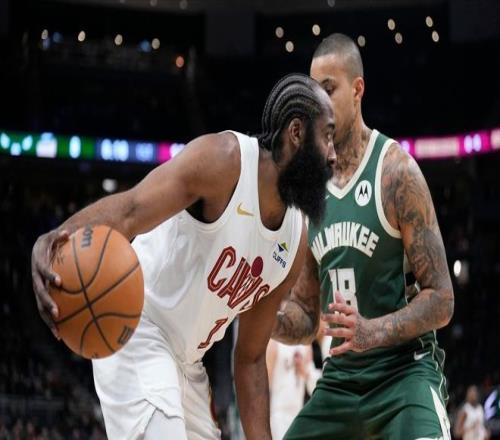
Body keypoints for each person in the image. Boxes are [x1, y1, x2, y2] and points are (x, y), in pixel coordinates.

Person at [30, 73, 335, 440]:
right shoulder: (225, 162)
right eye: (328, 136)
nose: (333, 155)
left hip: (188, 361)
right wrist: (57, 237)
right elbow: (130, 211)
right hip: (139, 326)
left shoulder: (294, 240)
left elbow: (251, 358)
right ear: (297, 133)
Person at [272, 33, 455, 439]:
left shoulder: (396, 172)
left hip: (403, 373)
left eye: (328, 90)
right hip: (340, 383)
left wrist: (372, 332)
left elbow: (442, 299)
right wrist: (259, 314)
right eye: (311, 94)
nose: (317, 104)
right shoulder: (309, 191)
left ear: (357, 90)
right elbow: (306, 315)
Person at [266, 339, 320, 439]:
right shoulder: (273, 342)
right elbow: (266, 384)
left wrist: (304, 371)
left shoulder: (306, 343)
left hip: (299, 412)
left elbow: (313, 385)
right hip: (278, 412)